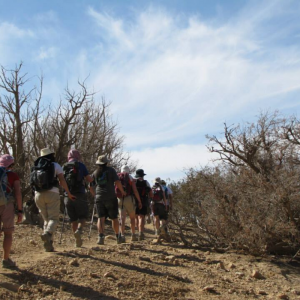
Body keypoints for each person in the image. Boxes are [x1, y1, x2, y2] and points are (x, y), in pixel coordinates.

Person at [32, 148, 76, 252]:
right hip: (52, 193)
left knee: (46, 220)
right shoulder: (55, 165)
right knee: (53, 219)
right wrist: (68, 193)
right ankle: (47, 234)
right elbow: (62, 180)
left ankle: (48, 245)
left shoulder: (35, 167)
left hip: (38, 194)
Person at [63, 149, 95, 247]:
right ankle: (79, 231)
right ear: (78, 156)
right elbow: (89, 179)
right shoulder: (81, 165)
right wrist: (93, 177)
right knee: (82, 217)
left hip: (67, 195)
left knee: (73, 219)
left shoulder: (64, 166)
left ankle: (77, 240)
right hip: (80, 194)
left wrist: (67, 193)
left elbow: (61, 180)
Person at [92, 155, 126, 245]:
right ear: (106, 162)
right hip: (110, 196)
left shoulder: (95, 172)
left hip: (99, 197)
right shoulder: (111, 170)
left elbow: (90, 185)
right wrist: (122, 191)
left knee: (101, 218)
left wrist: (94, 195)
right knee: (114, 218)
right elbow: (117, 182)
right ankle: (118, 236)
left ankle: (100, 237)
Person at [0, 154, 23, 268]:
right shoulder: (13, 175)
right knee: (8, 233)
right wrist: (20, 210)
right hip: (7, 205)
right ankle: (6, 259)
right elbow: (18, 193)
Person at [117, 165, 142, 243]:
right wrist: (139, 201)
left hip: (120, 199)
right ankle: (133, 235)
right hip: (129, 199)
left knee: (122, 218)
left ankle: (122, 235)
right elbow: (135, 190)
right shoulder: (130, 177)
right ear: (128, 170)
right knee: (132, 217)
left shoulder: (117, 176)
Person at [134, 169, 153, 241]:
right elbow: (151, 194)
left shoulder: (133, 182)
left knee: (135, 217)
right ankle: (141, 233)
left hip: (134, 201)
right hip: (144, 201)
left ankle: (135, 232)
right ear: (143, 175)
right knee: (141, 217)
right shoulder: (146, 182)